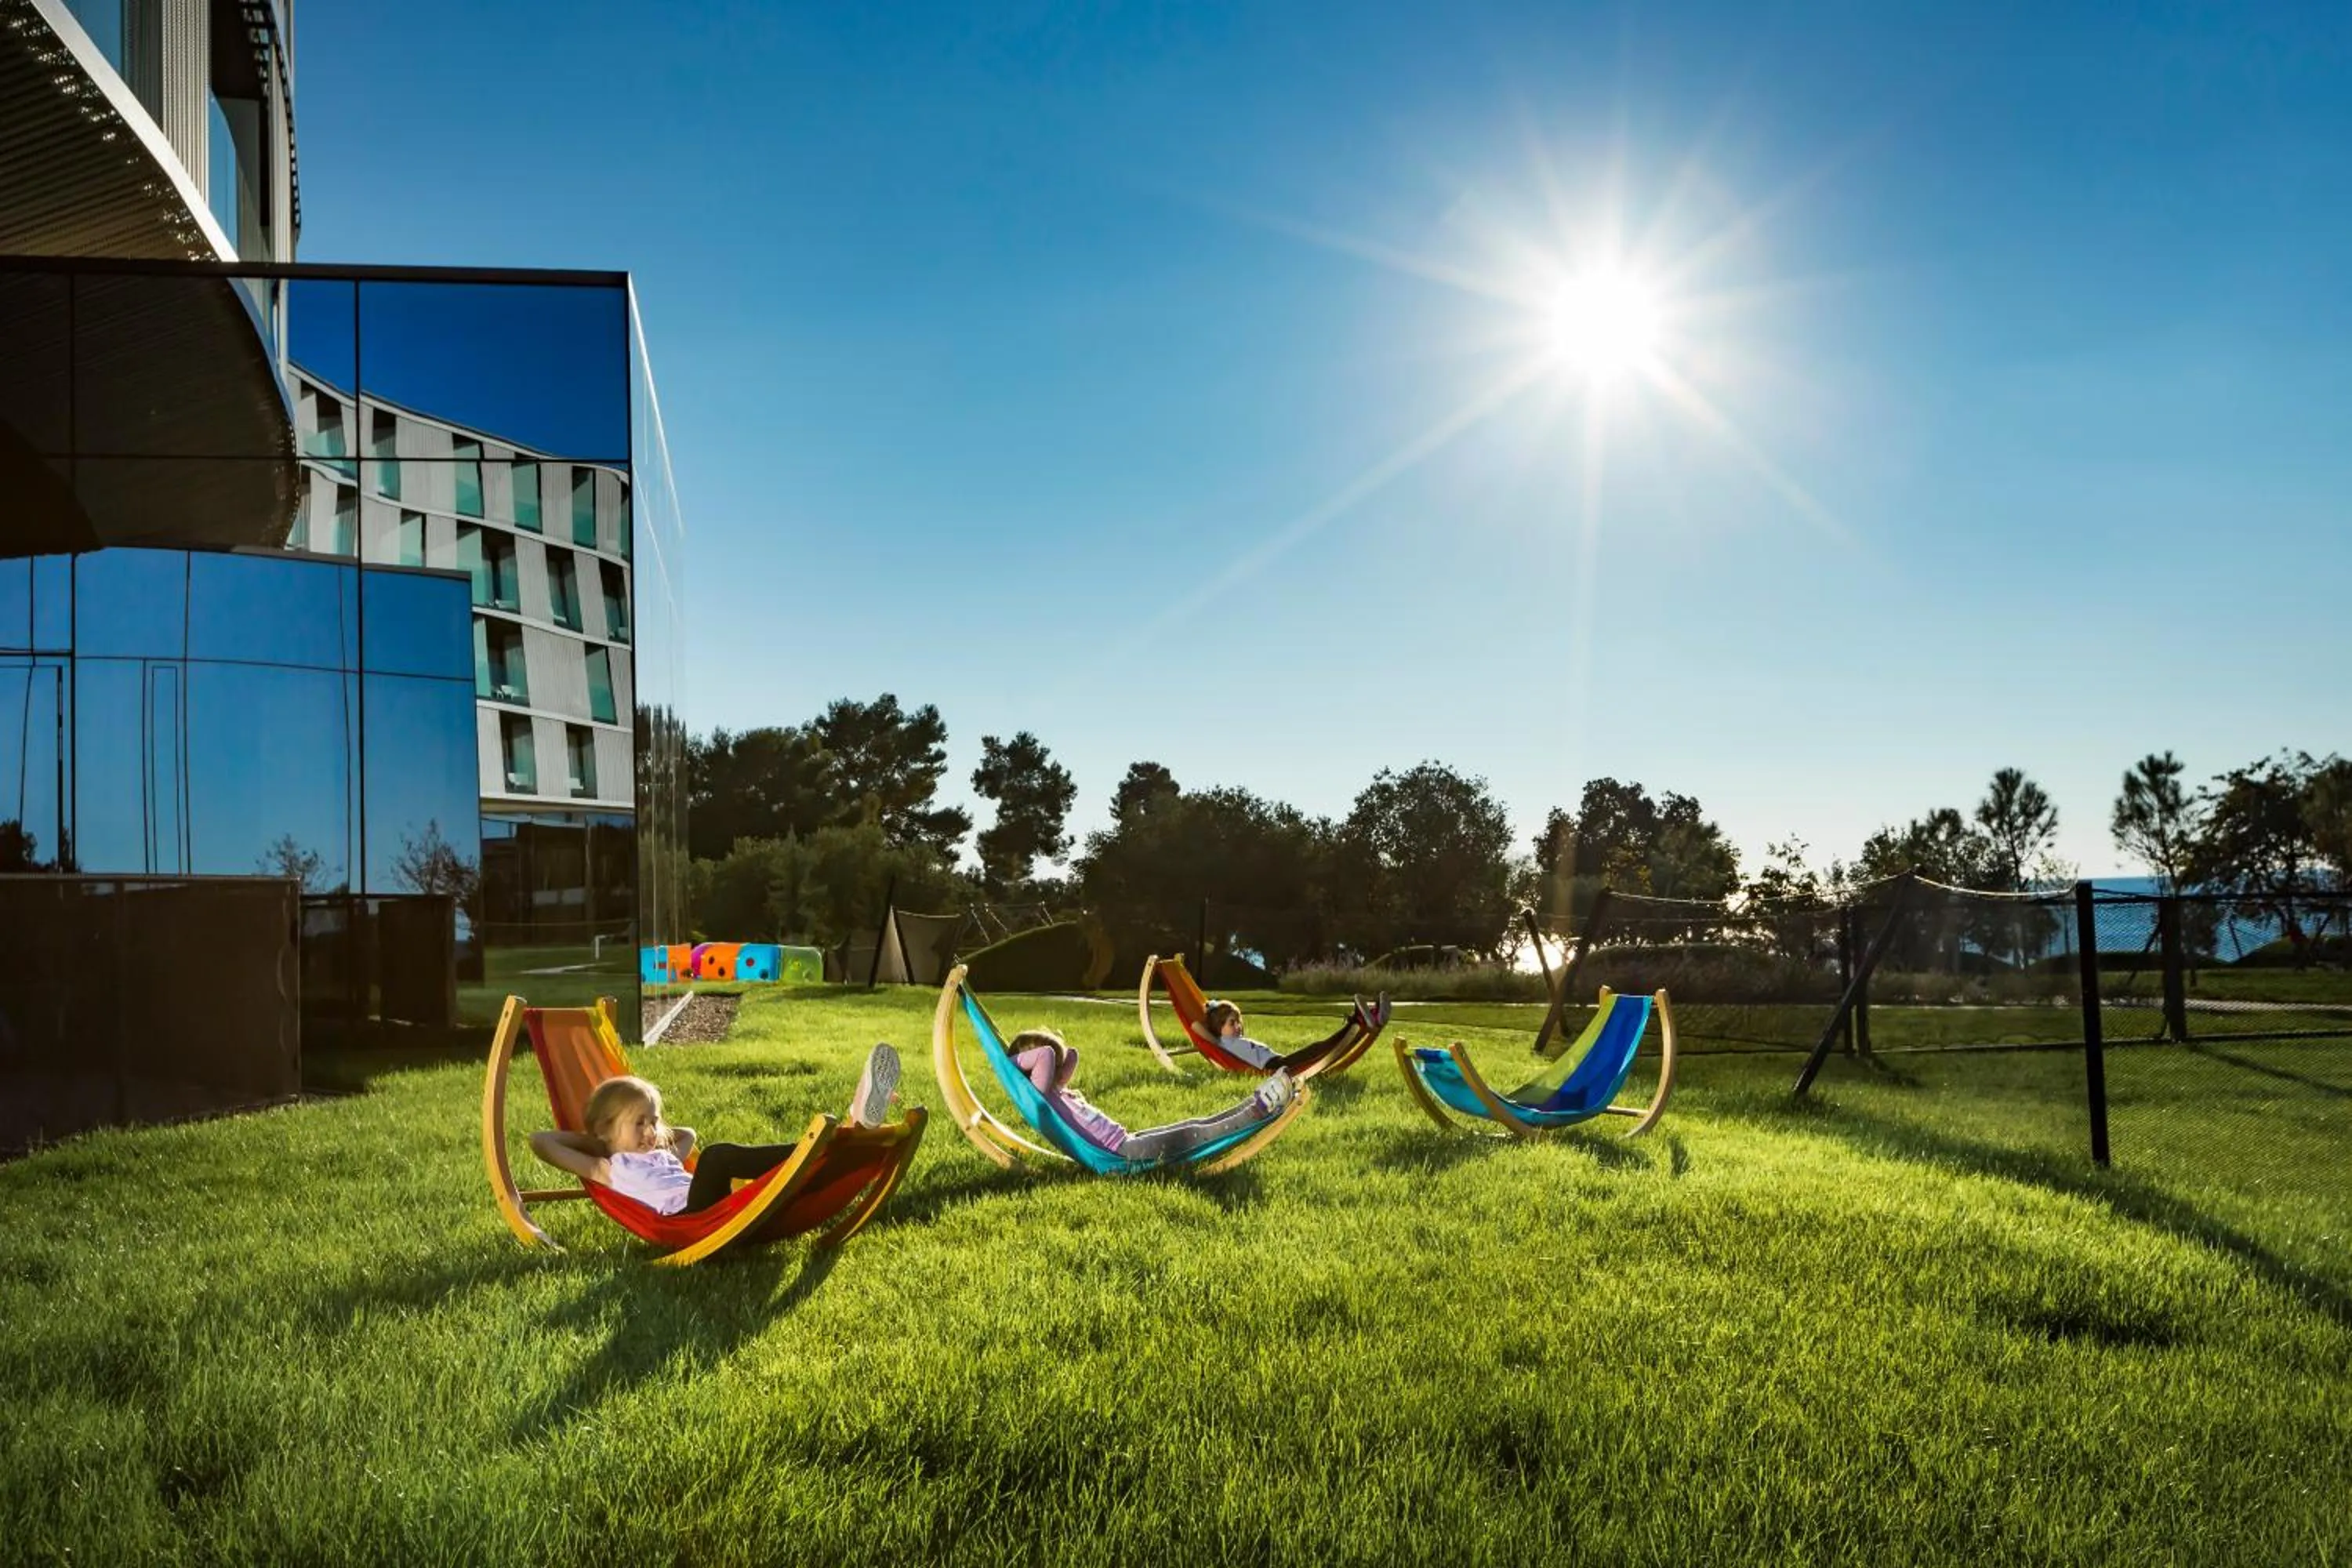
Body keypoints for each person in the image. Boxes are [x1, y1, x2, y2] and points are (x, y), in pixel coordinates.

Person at [527, 1043, 901, 1216]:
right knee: (719, 1155)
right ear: (606, 1130)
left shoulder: (659, 1154)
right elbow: (540, 1141)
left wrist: (658, 1136)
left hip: (712, 1202)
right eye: (639, 1122)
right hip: (689, 1216)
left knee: (770, 1180)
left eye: (653, 1120)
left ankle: (846, 1134)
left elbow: (686, 1134)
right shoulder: (607, 1169)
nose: (650, 1130)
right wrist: (592, 1142)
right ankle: (815, 1147)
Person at [1009, 1026, 1293, 1161]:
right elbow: (1047, 1054)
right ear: (1031, 1066)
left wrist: (1032, 1058)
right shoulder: (1040, 1094)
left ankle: (1249, 1104)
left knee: (1192, 1123)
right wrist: (1010, 1063)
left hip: (1126, 1141)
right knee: (1192, 1134)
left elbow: (1069, 1055)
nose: (1054, 1066)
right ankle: (1258, 1110)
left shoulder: (1054, 1088)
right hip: (1120, 1156)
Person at [1201, 994, 1392, 1069]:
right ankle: (1358, 1022)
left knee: (1323, 1048)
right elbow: (1200, 1033)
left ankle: (1363, 1021)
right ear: (1219, 1028)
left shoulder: (1230, 1042)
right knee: (1321, 1048)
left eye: (1238, 1022)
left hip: (1280, 1062)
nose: (1237, 1027)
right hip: (1276, 1067)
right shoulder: (1223, 1045)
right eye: (1231, 1023)